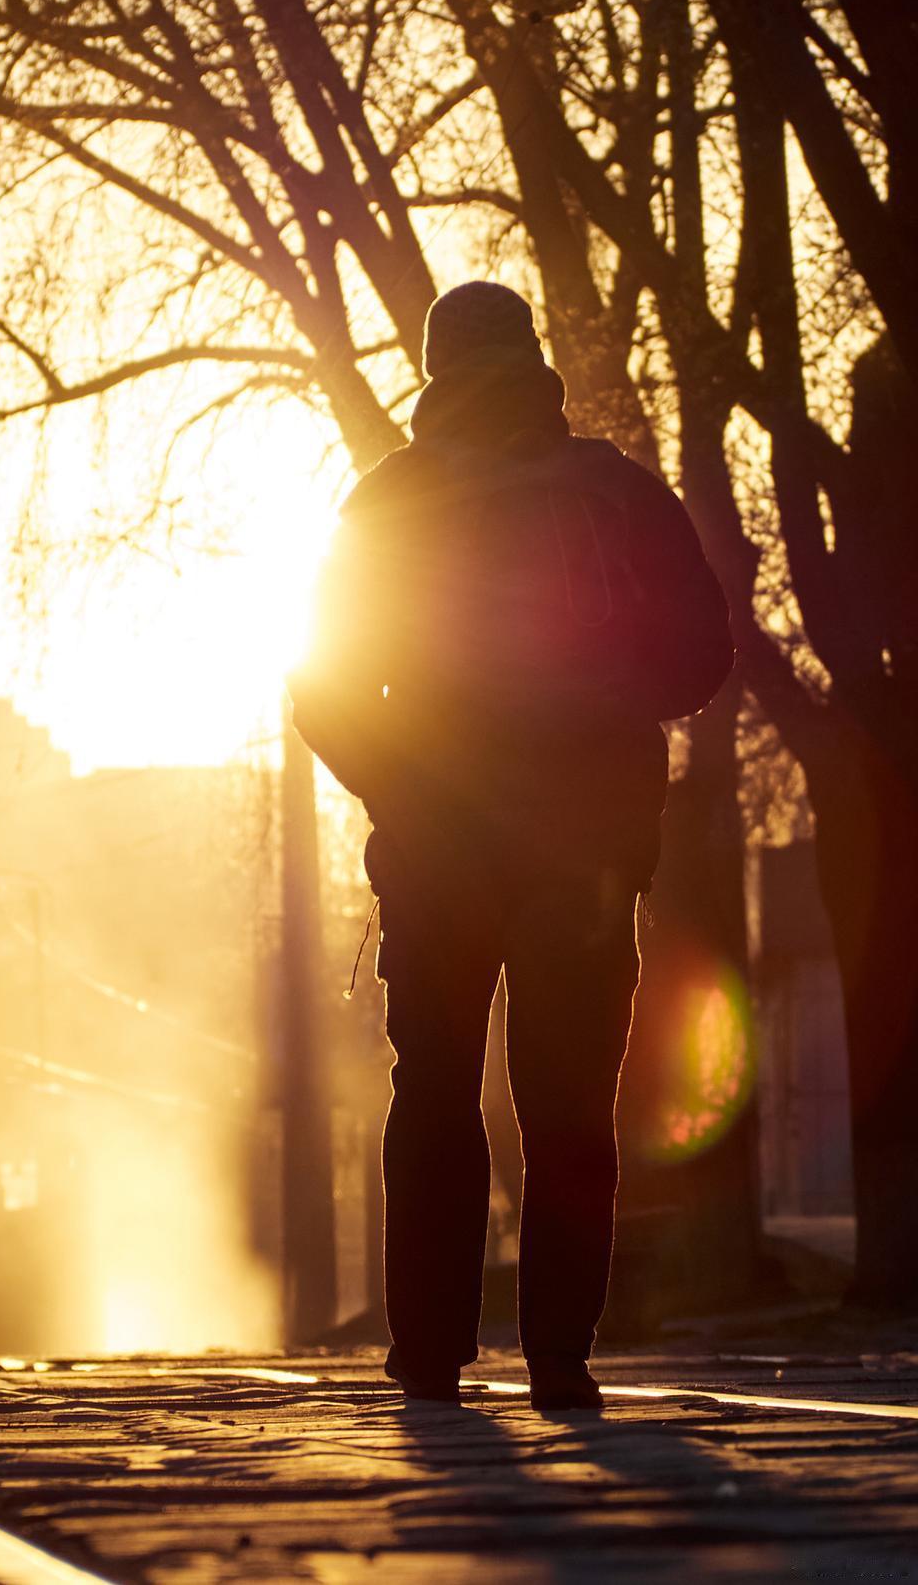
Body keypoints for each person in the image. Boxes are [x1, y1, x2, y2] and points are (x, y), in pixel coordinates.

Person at [287, 281, 734, 1410]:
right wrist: (607, 722)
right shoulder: (615, 493)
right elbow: (702, 657)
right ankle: (558, 1359)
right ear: (533, 359)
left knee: (432, 1087)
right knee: (569, 1100)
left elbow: (322, 686)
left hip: (437, 852)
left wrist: (401, 787)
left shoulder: (384, 503)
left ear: (434, 370)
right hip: (581, 855)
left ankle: (429, 1354)